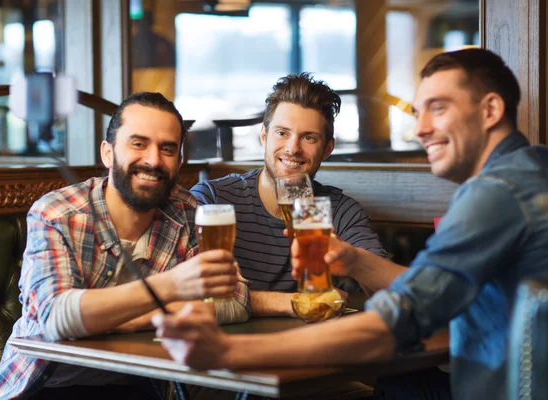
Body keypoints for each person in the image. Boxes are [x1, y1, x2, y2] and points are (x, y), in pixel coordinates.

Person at [153, 48, 548, 400]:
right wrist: (355, 262)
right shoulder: (533, 169)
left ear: (490, 111)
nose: (421, 128)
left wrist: (227, 352)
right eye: (418, 112)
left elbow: (394, 321)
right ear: (264, 136)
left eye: (438, 108)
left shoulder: (497, 192)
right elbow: (428, 289)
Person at [0, 92, 248, 399]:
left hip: (139, 385)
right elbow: (57, 318)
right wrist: (170, 287)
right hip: (42, 386)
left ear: (179, 161)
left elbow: (236, 299)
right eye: (138, 143)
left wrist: (118, 320)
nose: (153, 160)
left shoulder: (187, 211)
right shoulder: (58, 213)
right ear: (107, 152)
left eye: (167, 149)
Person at [191, 73, 387, 318]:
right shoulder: (213, 199)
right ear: (264, 136)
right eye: (282, 133)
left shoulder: (339, 211)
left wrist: (356, 262)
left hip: (308, 349)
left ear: (327, 148)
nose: (293, 148)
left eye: (308, 137)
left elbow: (391, 293)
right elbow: (188, 291)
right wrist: (296, 302)